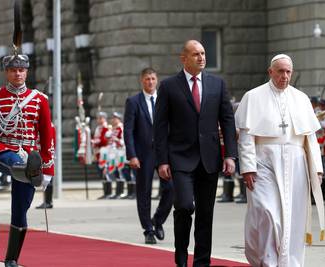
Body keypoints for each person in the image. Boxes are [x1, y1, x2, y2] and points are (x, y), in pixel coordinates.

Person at [235, 54, 325, 267]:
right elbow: (247, 136)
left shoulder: (301, 99)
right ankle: (267, 260)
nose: (284, 76)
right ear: (270, 72)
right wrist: (247, 167)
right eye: (280, 71)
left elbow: (310, 138)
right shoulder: (253, 97)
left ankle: (289, 262)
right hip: (263, 161)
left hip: (296, 165)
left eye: (288, 72)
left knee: (294, 217)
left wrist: (317, 169)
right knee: (266, 212)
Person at [154, 40, 237, 267]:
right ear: (184, 58)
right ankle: (181, 257)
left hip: (209, 159)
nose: (201, 57)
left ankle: (202, 262)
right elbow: (160, 126)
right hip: (180, 158)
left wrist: (230, 154)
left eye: (203, 53)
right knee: (184, 206)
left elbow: (227, 121)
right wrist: (162, 161)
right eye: (196, 54)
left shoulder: (217, 84)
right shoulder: (169, 86)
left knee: (205, 214)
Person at [0, 51, 55, 267]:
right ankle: (31, 172)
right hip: (2, 150)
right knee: (15, 162)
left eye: (21, 70)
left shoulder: (39, 100)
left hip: (31, 154)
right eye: (13, 70)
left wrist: (49, 170)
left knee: (20, 209)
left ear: (26, 72)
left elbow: (47, 135)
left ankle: (11, 259)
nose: (17, 73)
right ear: (6, 73)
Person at [124, 67, 174, 244]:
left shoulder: (164, 100)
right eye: (147, 79)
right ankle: (148, 230)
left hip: (164, 154)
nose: (150, 82)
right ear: (141, 81)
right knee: (144, 192)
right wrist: (132, 155)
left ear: (157, 80)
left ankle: (157, 221)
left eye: (153, 79)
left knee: (171, 189)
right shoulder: (133, 101)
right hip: (143, 154)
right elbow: (128, 130)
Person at [92, 111, 112, 199]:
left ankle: (109, 193)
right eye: (98, 118)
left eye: (100, 118)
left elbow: (105, 141)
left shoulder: (106, 128)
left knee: (105, 172)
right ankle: (105, 192)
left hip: (105, 153)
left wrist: (96, 142)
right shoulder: (98, 128)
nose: (99, 120)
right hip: (98, 153)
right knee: (101, 173)